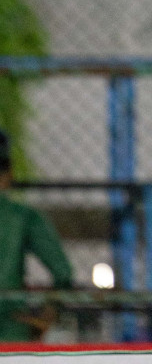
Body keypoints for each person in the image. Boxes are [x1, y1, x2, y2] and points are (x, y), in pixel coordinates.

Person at [0, 130, 74, 342]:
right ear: (8, 175)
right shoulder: (22, 217)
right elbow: (63, 273)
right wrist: (48, 314)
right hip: (11, 330)